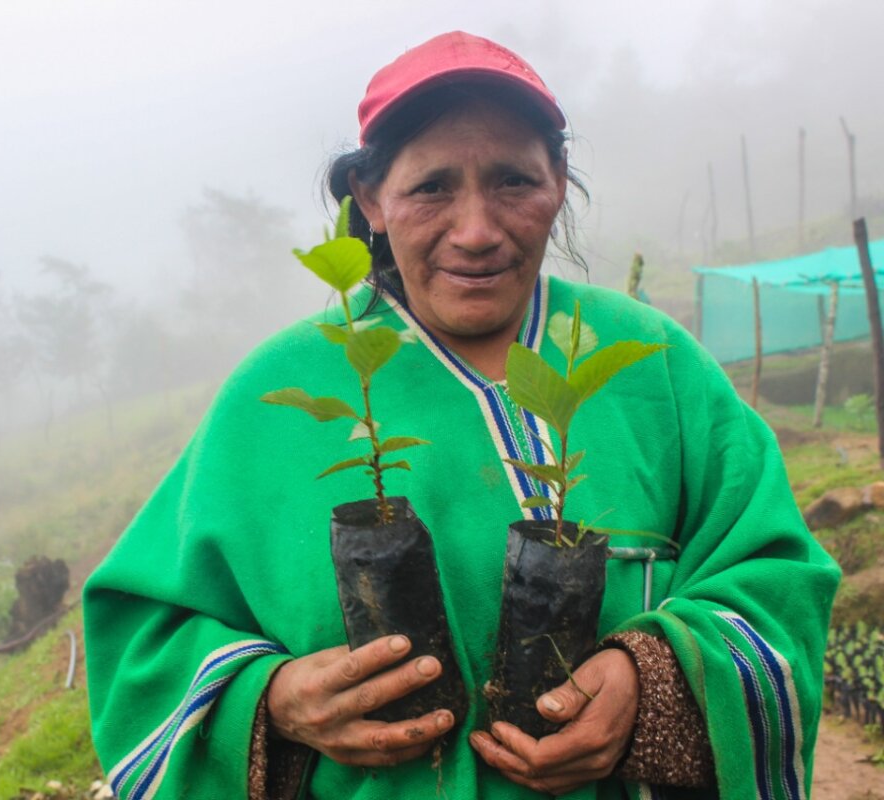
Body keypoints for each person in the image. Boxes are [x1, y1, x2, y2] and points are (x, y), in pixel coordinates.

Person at [84, 31, 840, 799]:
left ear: (560, 181)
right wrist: (274, 702)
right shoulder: (271, 398)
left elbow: (777, 579)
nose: (476, 232)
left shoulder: (655, 362)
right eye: (432, 187)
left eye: (514, 181)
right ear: (371, 200)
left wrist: (651, 685)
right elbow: (143, 643)